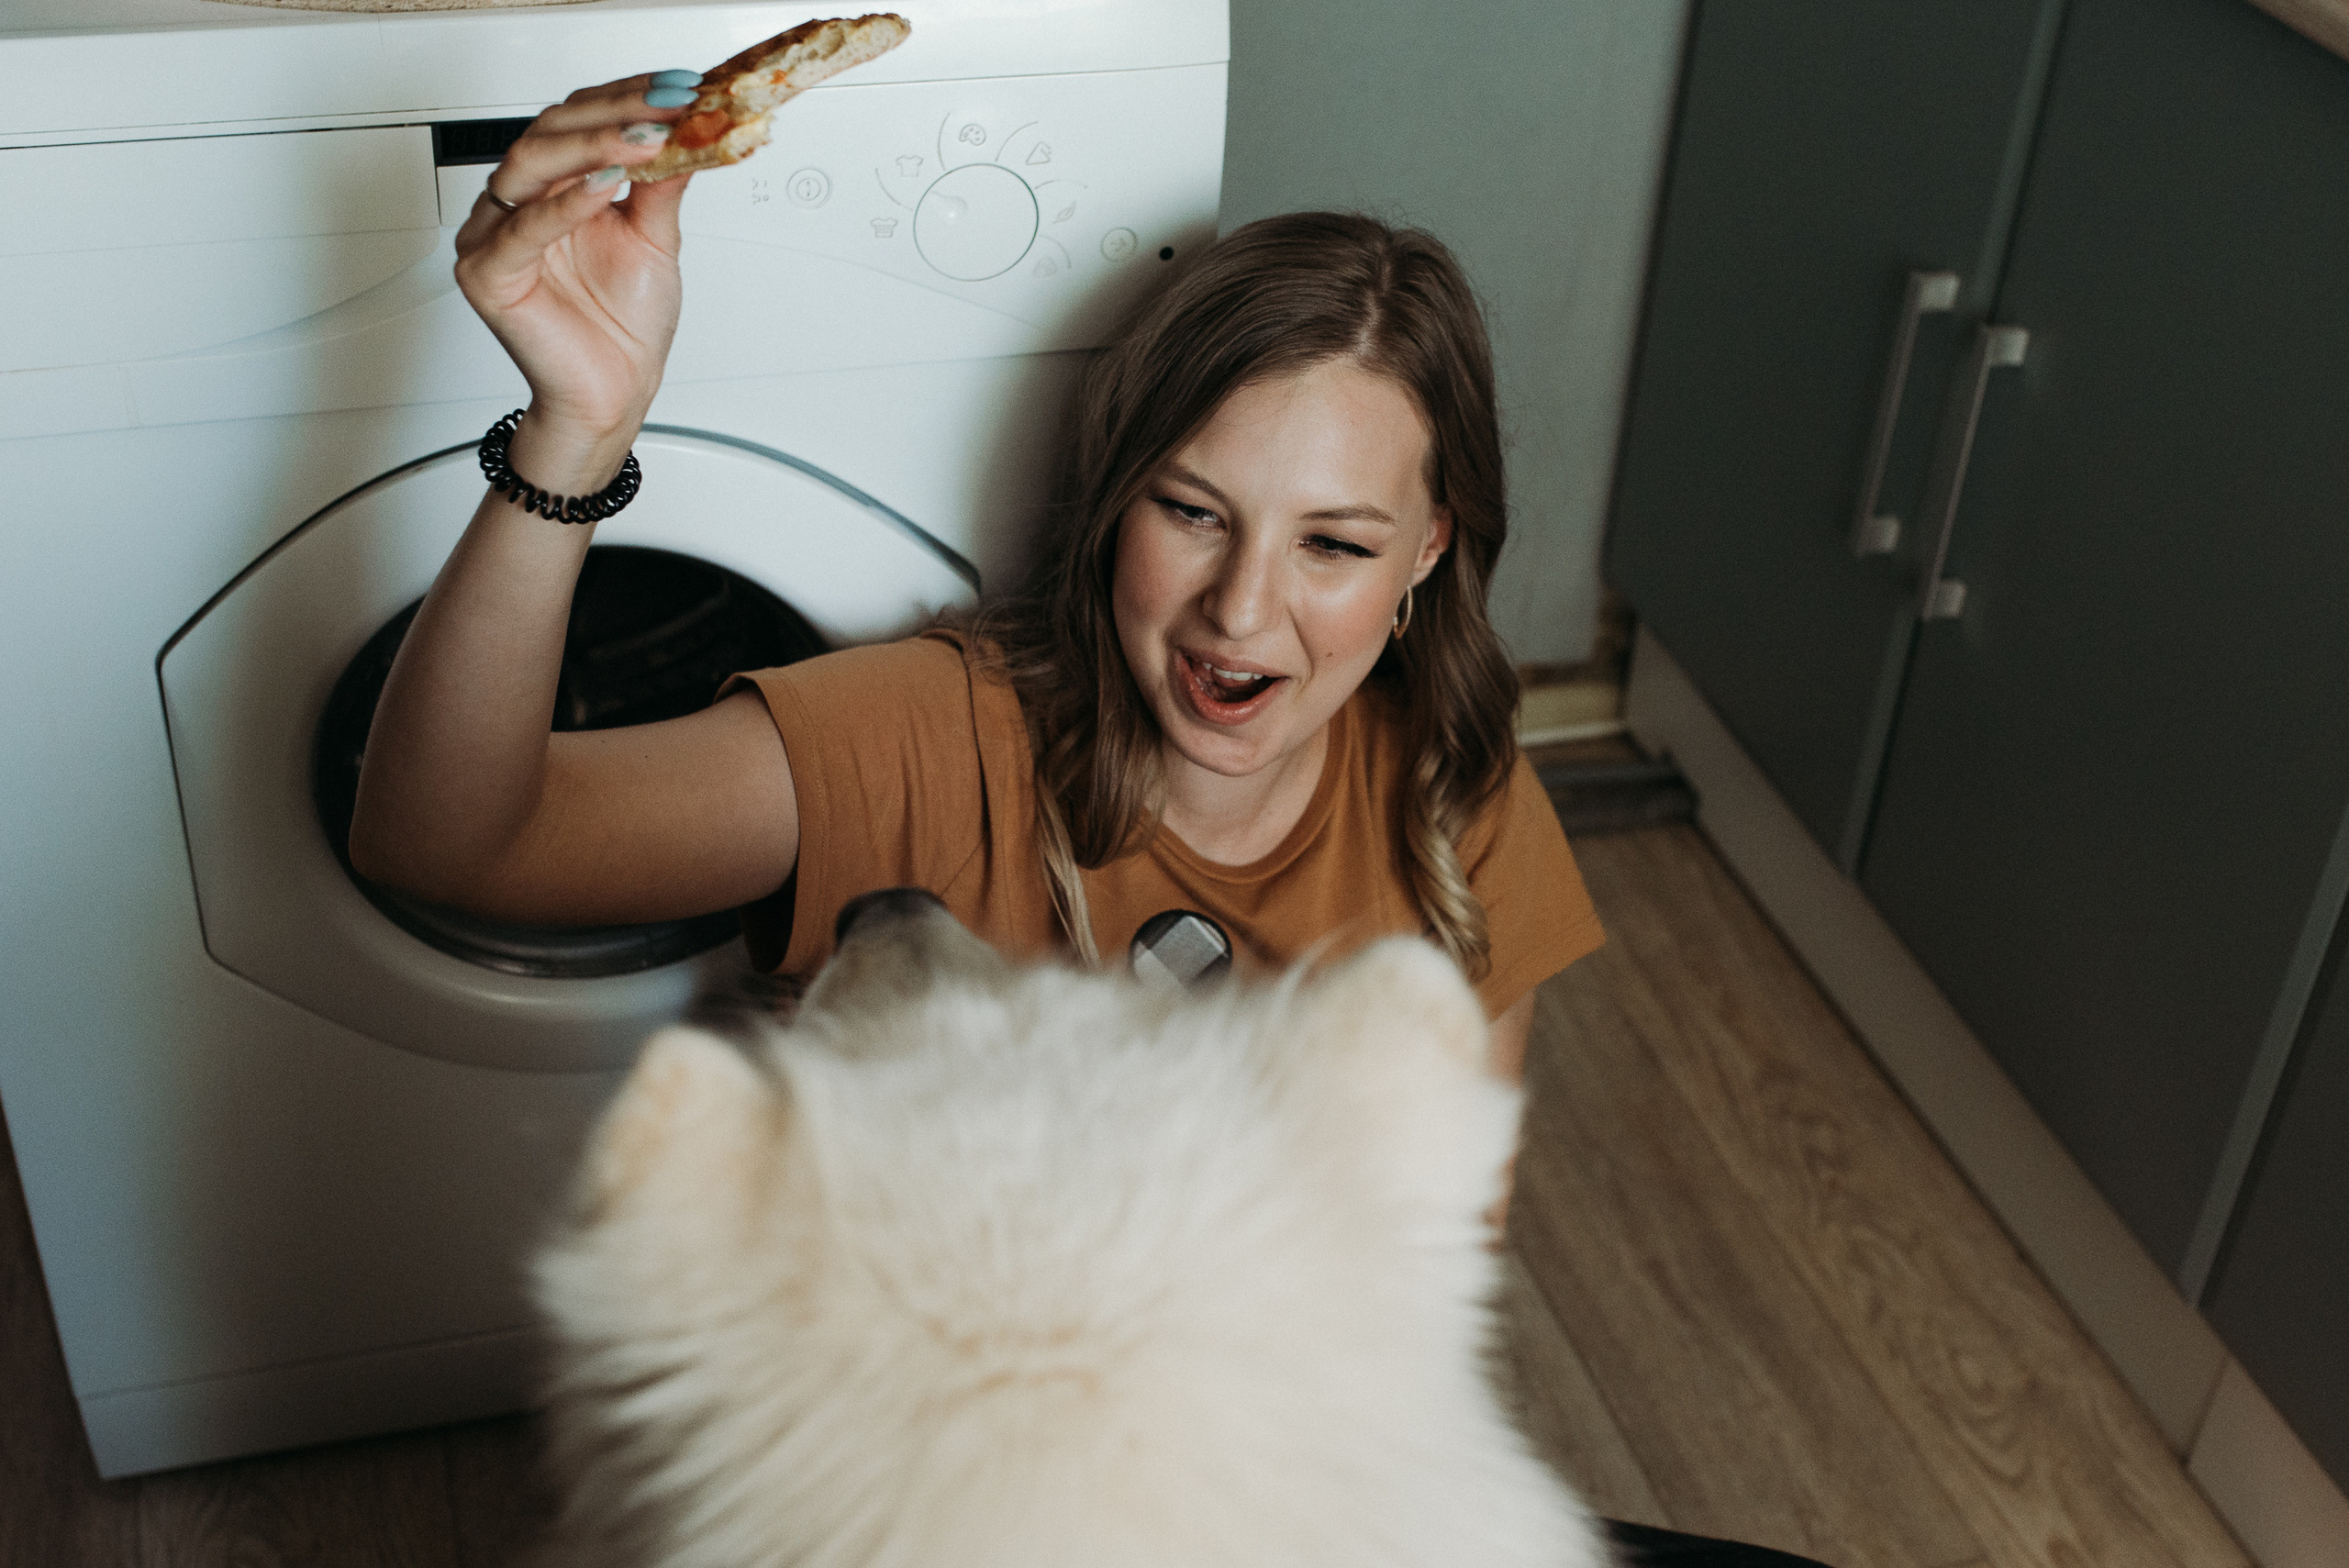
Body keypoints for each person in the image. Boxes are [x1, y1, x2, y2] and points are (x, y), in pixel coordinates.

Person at [348, 71, 1603, 1079]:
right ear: (1117, 495)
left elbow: (1437, 1259)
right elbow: (447, 845)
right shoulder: (940, 743)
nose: (1241, 608)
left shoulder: (1457, 800)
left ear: (1429, 549)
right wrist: (573, 435)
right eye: (1192, 510)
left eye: (1332, 544)